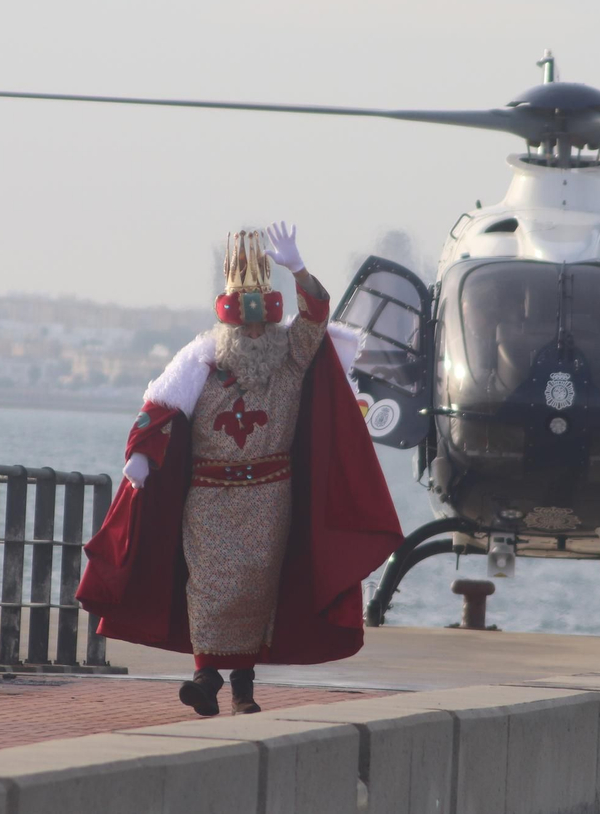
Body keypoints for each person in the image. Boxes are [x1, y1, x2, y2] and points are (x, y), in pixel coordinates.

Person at [77, 223, 403, 716]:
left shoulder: (292, 359)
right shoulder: (199, 365)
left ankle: (243, 688)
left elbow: (316, 312)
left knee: (256, 591)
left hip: (270, 498)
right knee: (206, 589)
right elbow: (159, 409)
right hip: (207, 500)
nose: (253, 335)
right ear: (227, 326)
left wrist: (297, 267)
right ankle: (205, 678)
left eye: (261, 327)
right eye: (244, 327)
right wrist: (141, 457)